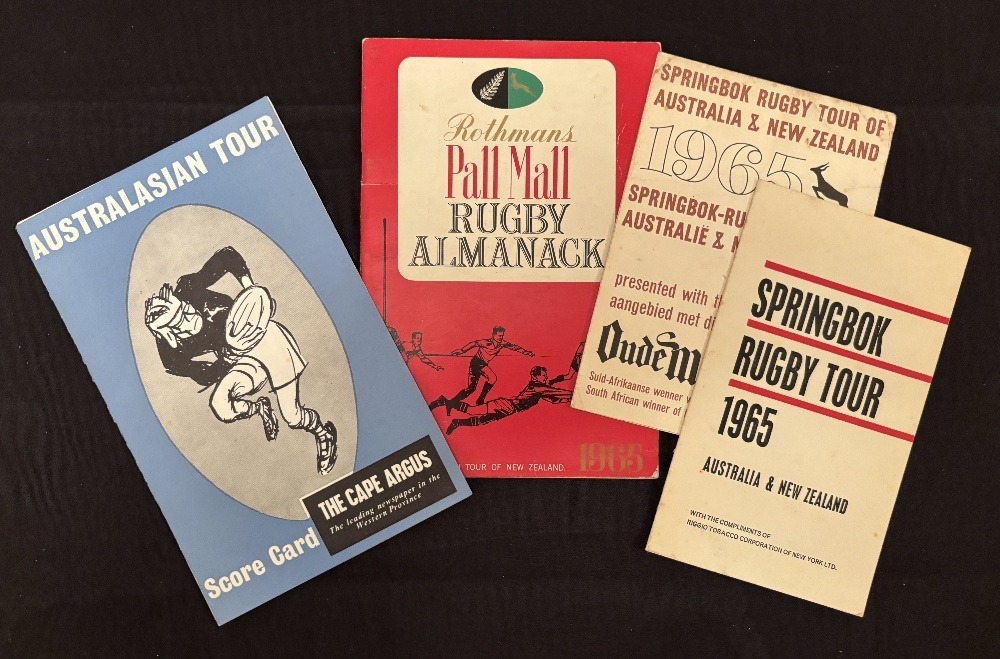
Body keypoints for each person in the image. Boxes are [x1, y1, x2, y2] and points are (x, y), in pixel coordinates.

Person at [143, 246, 338, 475]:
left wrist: (250, 290)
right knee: (221, 406)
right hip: (239, 360)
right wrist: (227, 360)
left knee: (293, 416)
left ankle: (323, 433)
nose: (191, 313)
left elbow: (227, 257)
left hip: (268, 340)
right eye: (183, 318)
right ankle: (258, 407)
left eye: (186, 307)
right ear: (171, 334)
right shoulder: (171, 356)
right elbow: (203, 375)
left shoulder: (188, 287)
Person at [445, 363, 576, 435]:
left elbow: (553, 398)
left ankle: (457, 422)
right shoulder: (537, 387)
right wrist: (575, 395)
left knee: (481, 421)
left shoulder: (539, 389)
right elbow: (558, 393)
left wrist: (569, 399)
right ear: (535, 377)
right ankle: (447, 402)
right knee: (473, 411)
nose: (546, 378)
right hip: (505, 405)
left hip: (509, 410)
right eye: (544, 376)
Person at [428, 325, 533, 412]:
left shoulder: (502, 344)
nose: (501, 338)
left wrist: (526, 352)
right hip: (476, 362)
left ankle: (445, 401)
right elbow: (474, 343)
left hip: (480, 364)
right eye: (499, 336)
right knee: (492, 378)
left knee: (470, 389)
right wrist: (462, 350)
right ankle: (480, 399)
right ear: (493, 335)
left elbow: (515, 347)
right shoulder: (486, 342)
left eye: (502, 336)